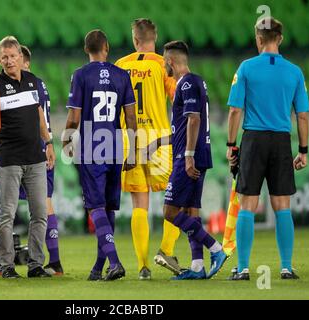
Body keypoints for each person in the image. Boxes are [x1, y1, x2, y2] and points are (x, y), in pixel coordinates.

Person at [226, 17, 309, 280]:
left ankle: (243, 268)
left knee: (248, 205)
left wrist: (231, 145)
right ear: (280, 39)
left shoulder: (246, 68)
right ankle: (286, 267)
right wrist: (303, 150)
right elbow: (303, 116)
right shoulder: (295, 72)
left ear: (258, 39)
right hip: (281, 141)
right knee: (282, 205)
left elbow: (235, 110)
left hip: (253, 139)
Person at [63, 29, 137, 281]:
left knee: (95, 206)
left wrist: (66, 141)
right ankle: (98, 267)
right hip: (114, 144)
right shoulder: (121, 74)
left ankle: (114, 262)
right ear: (106, 47)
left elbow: (73, 117)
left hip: (91, 144)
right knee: (108, 208)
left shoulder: (80, 75)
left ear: (87, 50)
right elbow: (130, 118)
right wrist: (135, 149)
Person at [115, 18, 181, 280]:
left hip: (129, 140)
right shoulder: (163, 65)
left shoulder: (120, 65)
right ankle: (165, 250)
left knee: (139, 205)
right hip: (160, 139)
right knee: (177, 200)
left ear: (134, 39)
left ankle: (143, 267)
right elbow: (178, 98)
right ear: (155, 37)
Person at [162, 40, 227, 280]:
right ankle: (198, 266)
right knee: (191, 211)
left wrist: (188, 156)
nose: (164, 67)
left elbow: (194, 120)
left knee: (170, 212)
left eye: (164, 62)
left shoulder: (187, 82)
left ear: (170, 61)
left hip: (188, 156)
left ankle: (216, 249)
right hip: (198, 153)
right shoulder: (197, 81)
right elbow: (182, 127)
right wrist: (157, 143)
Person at [0, 36, 55, 279]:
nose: (9, 61)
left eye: (12, 56)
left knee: (39, 213)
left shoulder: (33, 82)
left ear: (21, 57)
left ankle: (35, 265)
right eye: (4, 57)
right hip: (9, 158)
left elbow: (39, 113)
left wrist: (48, 142)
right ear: (0, 60)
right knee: (6, 214)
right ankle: (7, 266)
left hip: (35, 158)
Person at [19, 45, 63, 275]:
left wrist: (45, 143)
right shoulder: (40, 83)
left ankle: (53, 261)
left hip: (34, 147)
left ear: (26, 62)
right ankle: (53, 260)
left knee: (40, 205)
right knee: (43, 204)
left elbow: (36, 118)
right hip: (42, 146)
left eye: (19, 61)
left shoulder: (28, 83)